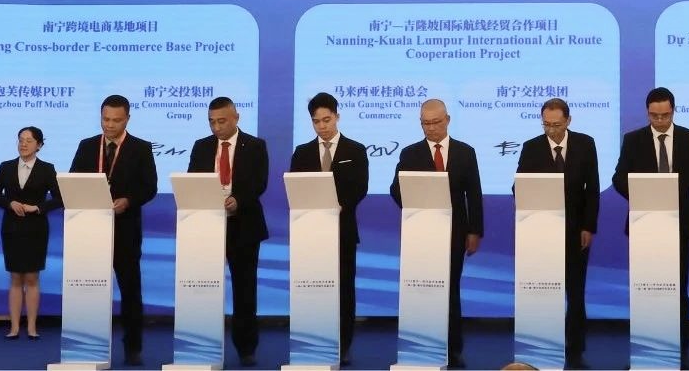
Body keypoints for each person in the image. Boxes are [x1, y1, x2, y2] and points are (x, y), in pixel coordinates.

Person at [611, 86, 689, 369]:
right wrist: (644, 194)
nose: (660, 121)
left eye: (665, 115)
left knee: (678, 287)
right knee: (646, 287)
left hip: (679, 227)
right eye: (654, 116)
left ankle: (681, 348)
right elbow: (618, 179)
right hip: (644, 225)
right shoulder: (634, 140)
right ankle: (645, 343)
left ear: (673, 111)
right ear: (647, 113)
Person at [389, 99, 484, 369]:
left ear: (447, 120)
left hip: (455, 233)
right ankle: (421, 346)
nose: (431, 128)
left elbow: (474, 194)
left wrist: (475, 231)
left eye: (436, 122)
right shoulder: (410, 153)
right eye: (425, 123)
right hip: (421, 233)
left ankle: (453, 350)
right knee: (422, 290)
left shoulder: (465, 152)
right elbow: (396, 189)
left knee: (450, 290)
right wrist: (416, 207)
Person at [69, 94, 158, 366]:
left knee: (130, 290)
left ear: (127, 119)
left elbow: (149, 187)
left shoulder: (140, 148)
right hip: (90, 230)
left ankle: (133, 347)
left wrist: (128, 200)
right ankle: (87, 343)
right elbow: (73, 181)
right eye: (105, 119)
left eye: (116, 120)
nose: (109, 125)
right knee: (87, 289)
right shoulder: (87, 146)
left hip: (125, 230)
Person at [515, 98, 600, 369]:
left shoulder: (585, 144)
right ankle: (544, 342)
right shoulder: (531, 147)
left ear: (568, 121)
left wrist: (588, 226)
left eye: (556, 125)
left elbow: (593, 189)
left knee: (575, 292)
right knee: (544, 290)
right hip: (542, 232)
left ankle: (575, 348)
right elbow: (518, 187)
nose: (551, 130)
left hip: (576, 231)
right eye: (546, 125)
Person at [187, 97, 269, 367]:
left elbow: (259, 183)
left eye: (221, 121)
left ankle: (246, 347)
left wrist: (238, 200)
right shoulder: (201, 146)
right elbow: (193, 181)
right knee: (203, 288)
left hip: (243, 226)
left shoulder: (255, 146)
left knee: (245, 290)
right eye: (211, 122)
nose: (216, 127)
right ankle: (202, 343)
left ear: (236, 118)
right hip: (208, 227)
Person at [288, 92, 369, 366]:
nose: (322, 126)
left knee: (344, 290)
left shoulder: (355, 150)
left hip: (342, 231)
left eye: (327, 119)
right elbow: (296, 189)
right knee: (311, 289)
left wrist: (339, 206)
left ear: (337, 116)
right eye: (316, 121)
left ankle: (343, 345)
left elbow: (360, 187)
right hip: (310, 234)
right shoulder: (302, 152)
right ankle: (311, 342)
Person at [0, 126, 62, 340]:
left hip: (36, 228)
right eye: (21, 139)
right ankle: (14, 327)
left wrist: (37, 207)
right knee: (15, 277)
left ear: (39, 145)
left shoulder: (47, 169)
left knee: (31, 277)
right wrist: (9, 203)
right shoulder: (6, 167)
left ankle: (31, 327)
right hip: (12, 228)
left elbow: (60, 198)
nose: (23, 144)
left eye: (29, 140)